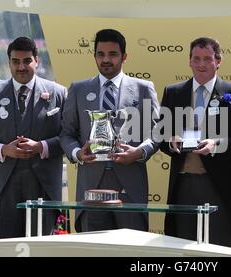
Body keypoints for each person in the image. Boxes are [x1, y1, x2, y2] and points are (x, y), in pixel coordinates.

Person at [60, 29, 160, 232]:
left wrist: (139, 152)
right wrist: (77, 153)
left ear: (124, 56)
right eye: (100, 54)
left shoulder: (143, 88)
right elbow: (66, 134)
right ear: (94, 56)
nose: (106, 60)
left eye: (113, 54)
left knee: (131, 250)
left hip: (130, 186)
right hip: (91, 186)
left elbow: (157, 132)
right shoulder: (78, 89)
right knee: (94, 250)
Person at [0, 36, 67, 239]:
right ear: (9, 62)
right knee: (5, 248)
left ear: (37, 61)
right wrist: (3, 150)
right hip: (3, 188)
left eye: (27, 61)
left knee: (41, 249)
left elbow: (70, 137)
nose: (21, 67)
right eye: (15, 61)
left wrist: (41, 146)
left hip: (43, 187)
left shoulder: (58, 93)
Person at [160, 37, 231, 248]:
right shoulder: (173, 92)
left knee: (218, 245)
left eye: (207, 59)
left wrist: (217, 144)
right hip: (182, 183)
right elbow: (160, 133)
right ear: (189, 61)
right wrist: (170, 140)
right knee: (181, 245)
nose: (201, 64)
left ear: (218, 61)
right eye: (196, 58)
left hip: (218, 184)